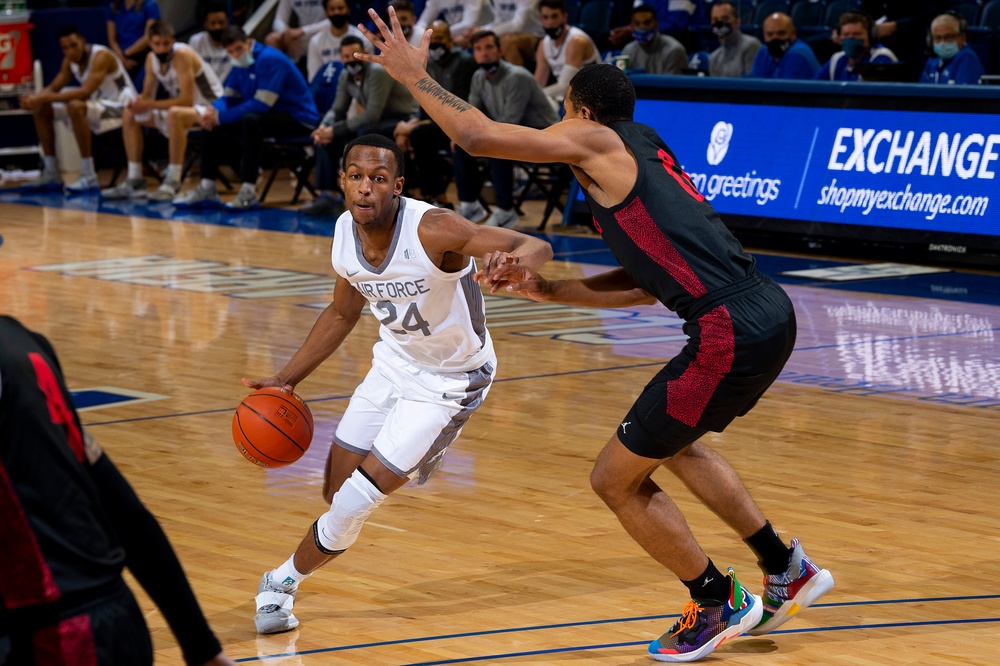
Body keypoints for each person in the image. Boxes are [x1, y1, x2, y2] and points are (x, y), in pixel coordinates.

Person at [357, 10, 836, 662]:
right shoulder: (640, 151)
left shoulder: (597, 143)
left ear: (579, 111)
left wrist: (415, 73)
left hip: (727, 329)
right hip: (765, 314)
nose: (554, 121)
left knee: (614, 480)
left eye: (560, 109)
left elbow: (474, 135)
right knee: (672, 444)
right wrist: (551, 292)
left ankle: (715, 599)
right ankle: (787, 567)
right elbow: (645, 283)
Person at [246, 133, 553, 635]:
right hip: (393, 362)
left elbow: (535, 243)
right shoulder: (345, 230)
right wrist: (285, 380)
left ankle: (280, 583)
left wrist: (513, 263)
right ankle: (359, 505)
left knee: (355, 501)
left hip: (452, 380)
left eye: (379, 179)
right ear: (343, 180)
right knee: (335, 489)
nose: (366, 188)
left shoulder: (434, 228)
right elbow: (343, 312)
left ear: (397, 186)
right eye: (356, 177)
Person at [0, 315, 237, 666]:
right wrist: (201, 644)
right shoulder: (23, 340)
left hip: (56, 637)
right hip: (114, 620)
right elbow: (124, 509)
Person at [172, 25, 320, 211]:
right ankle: (207, 186)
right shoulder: (239, 64)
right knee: (211, 124)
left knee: (250, 120)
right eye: (230, 51)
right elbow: (228, 98)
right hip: (269, 116)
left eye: (238, 49)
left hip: (299, 118)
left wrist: (221, 117)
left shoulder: (270, 59)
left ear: (249, 43)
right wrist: (212, 112)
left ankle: (249, 190)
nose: (235, 54)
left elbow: (261, 104)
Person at [100, 20, 224, 202]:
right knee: (130, 114)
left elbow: (187, 100)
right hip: (185, 111)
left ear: (172, 41)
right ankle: (135, 179)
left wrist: (148, 104)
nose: (161, 48)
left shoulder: (182, 55)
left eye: (166, 43)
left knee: (175, 113)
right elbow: (148, 96)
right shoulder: (151, 59)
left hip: (211, 108)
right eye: (157, 44)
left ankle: (173, 181)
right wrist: (135, 101)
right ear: (150, 43)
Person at [301, 35, 418, 216]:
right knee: (329, 138)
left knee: (363, 132)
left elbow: (372, 113)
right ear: (341, 59)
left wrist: (334, 130)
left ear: (365, 53)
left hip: (402, 117)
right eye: (346, 57)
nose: (351, 60)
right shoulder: (345, 75)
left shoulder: (377, 71)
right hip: (377, 121)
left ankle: (376, 192)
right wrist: (324, 128)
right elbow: (338, 109)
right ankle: (329, 195)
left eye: (355, 55)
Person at [455, 29, 558, 228]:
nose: (484, 53)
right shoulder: (478, 77)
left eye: (489, 47)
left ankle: (505, 211)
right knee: (461, 142)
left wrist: (483, 134)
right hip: (511, 134)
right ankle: (470, 204)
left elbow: (510, 121)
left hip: (543, 137)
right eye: (478, 49)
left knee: (497, 145)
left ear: (500, 51)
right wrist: (461, 133)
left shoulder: (516, 76)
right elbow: (471, 115)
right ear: (473, 54)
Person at [18, 25, 137, 194]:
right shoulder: (69, 61)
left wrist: (41, 97)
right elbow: (53, 87)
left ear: (83, 42)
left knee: (76, 106)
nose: (70, 51)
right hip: (98, 107)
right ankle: (52, 172)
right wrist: (33, 100)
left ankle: (88, 174)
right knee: (42, 108)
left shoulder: (101, 56)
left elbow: (85, 91)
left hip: (122, 109)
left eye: (74, 45)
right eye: (65, 48)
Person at [393, 20, 478, 210]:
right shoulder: (428, 64)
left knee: (420, 134)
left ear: (450, 40)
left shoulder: (464, 62)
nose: (437, 44)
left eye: (440, 38)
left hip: (463, 123)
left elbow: (459, 105)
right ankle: (415, 193)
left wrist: (413, 126)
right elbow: (424, 106)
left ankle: (435, 194)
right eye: (433, 40)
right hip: (438, 124)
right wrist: (409, 125)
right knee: (401, 133)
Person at [534, 0, 600, 103]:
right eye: (545, 17)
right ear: (540, 19)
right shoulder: (543, 44)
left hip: (593, 96)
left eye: (554, 16)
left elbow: (566, 86)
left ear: (564, 17)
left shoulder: (576, 41)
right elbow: (538, 84)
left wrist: (534, 95)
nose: (550, 22)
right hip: (570, 98)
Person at [815, 12, 897, 82]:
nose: (851, 38)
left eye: (857, 34)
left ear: (870, 36)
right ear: (839, 38)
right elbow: (814, 88)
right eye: (846, 35)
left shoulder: (881, 57)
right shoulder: (837, 60)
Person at [461, 0, 543, 67]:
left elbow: (518, 25)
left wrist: (483, 31)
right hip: (509, 34)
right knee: (472, 39)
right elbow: (498, 21)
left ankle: (517, 83)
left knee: (506, 41)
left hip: (536, 35)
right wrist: (476, 31)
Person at [307, 0, 369, 81]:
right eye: (332, 9)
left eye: (340, 8)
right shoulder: (315, 41)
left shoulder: (363, 39)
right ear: (326, 12)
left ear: (348, 10)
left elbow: (369, 72)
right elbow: (314, 79)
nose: (336, 12)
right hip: (328, 87)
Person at [106, 0, 161, 88]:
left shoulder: (150, 5)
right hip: (119, 57)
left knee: (139, 89)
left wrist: (126, 54)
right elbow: (112, 40)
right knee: (119, 91)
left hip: (143, 56)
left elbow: (148, 37)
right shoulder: (113, 6)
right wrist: (122, 58)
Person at [749, 12, 820, 80]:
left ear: (793, 34)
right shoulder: (764, 52)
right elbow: (753, 80)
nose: (775, 38)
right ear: (764, 35)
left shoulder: (797, 54)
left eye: (781, 33)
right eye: (770, 34)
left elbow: (786, 90)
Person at [919, 12, 984, 85]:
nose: (942, 43)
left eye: (948, 37)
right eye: (938, 38)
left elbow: (964, 94)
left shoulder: (967, 58)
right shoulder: (932, 62)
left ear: (962, 38)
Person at [622, 4, 688, 75]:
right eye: (637, 24)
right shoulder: (628, 50)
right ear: (631, 26)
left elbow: (674, 84)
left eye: (647, 23)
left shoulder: (674, 50)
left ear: (656, 24)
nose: (642, 27)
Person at [707, 1, 760, 78]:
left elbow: (752, 85)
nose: (719, 23)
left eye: (725, 18)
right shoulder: (714, 57)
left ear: (737, 22)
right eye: (715, 20)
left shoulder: (751, 46)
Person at [414, 0, 494, 46]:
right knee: (423, 38)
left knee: (442, 41)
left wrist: (438, 33)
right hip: (456, 34)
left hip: (482, 31)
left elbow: (468, 24)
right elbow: (423, 22)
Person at [188, 1, 233, 83]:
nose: (217, 27)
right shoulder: (196, 41)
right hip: (206, 91)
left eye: (221, 22)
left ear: (227, 22)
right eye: (213, 23)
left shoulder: (235, 41)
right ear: (206, 24)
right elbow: (191, 71)